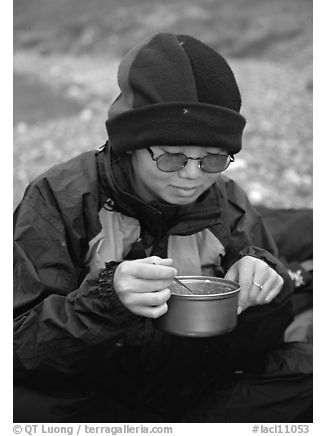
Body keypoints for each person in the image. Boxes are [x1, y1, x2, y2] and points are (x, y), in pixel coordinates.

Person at [13, 32, 312, 423]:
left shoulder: (229, 201)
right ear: (132, 144)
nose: (191, 176)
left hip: (195, 388)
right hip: (87, 394)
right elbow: (19, 347)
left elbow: (263, 342)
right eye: (171, 158)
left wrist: (266, 288)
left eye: (212, 160)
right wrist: (105, 301)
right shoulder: (60, 198)